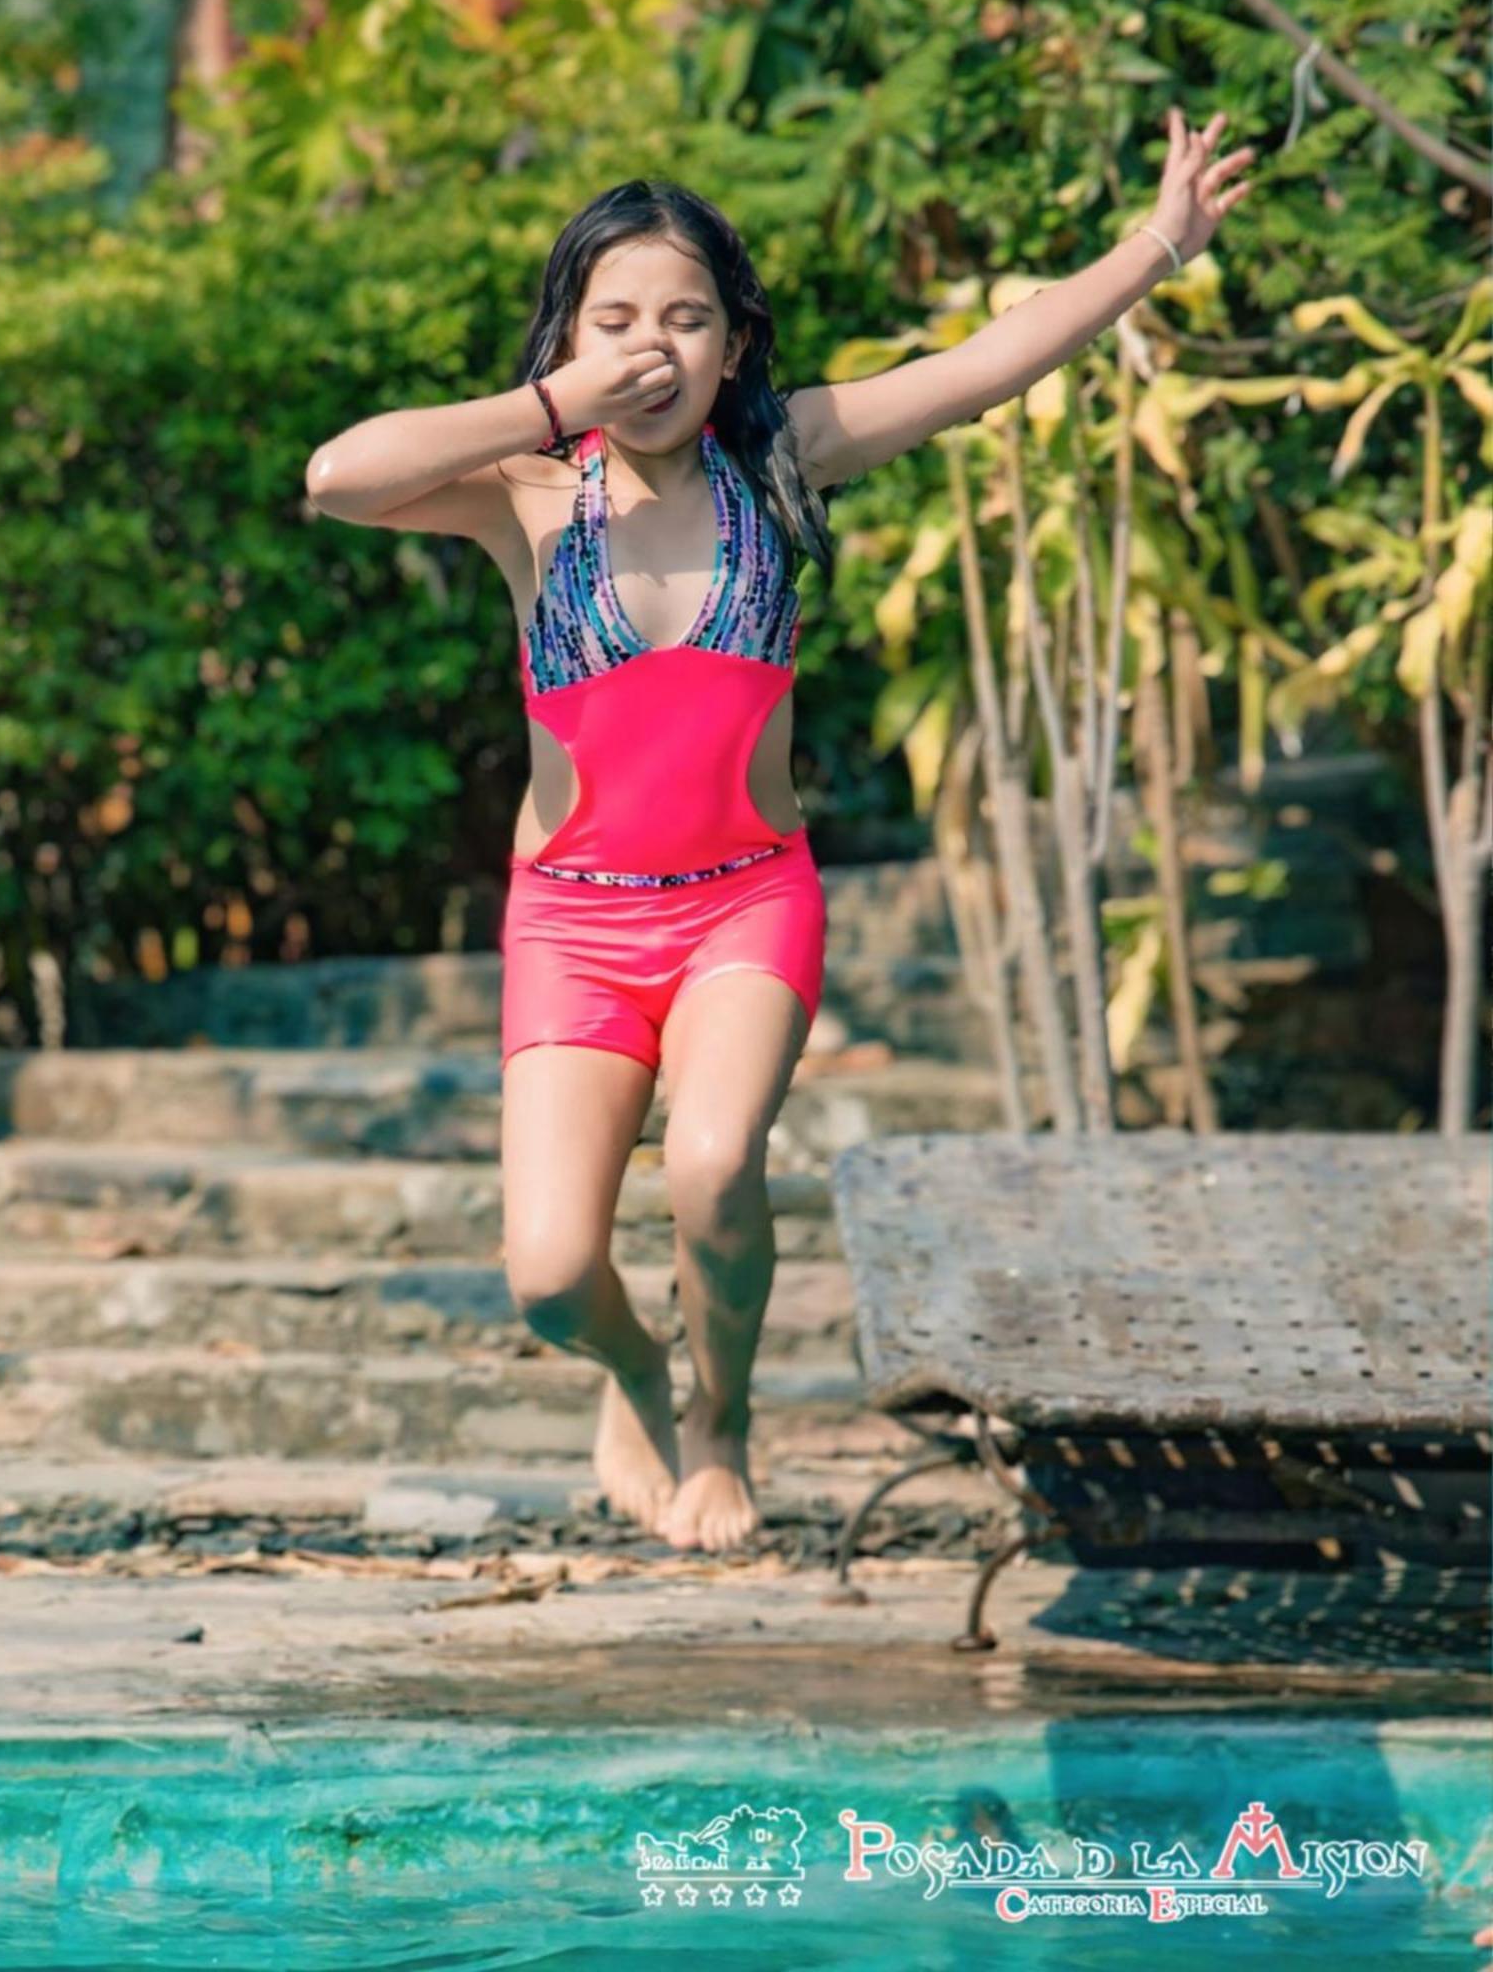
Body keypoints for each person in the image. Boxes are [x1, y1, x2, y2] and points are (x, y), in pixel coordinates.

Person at [306, 109, 1253, 1553]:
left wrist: (1158, 245)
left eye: (686, 317)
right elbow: (339, 477)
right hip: (573, 918)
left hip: (745, 901)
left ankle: (719, 1421)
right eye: (614, 317)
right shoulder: (525, 494)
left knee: (710, 1159)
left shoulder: (782, 458)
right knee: (552, 1273)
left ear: (734, 345)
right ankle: (633, 1370)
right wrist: (553, 402)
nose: (651, 347)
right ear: (567, 336)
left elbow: (981, 367)